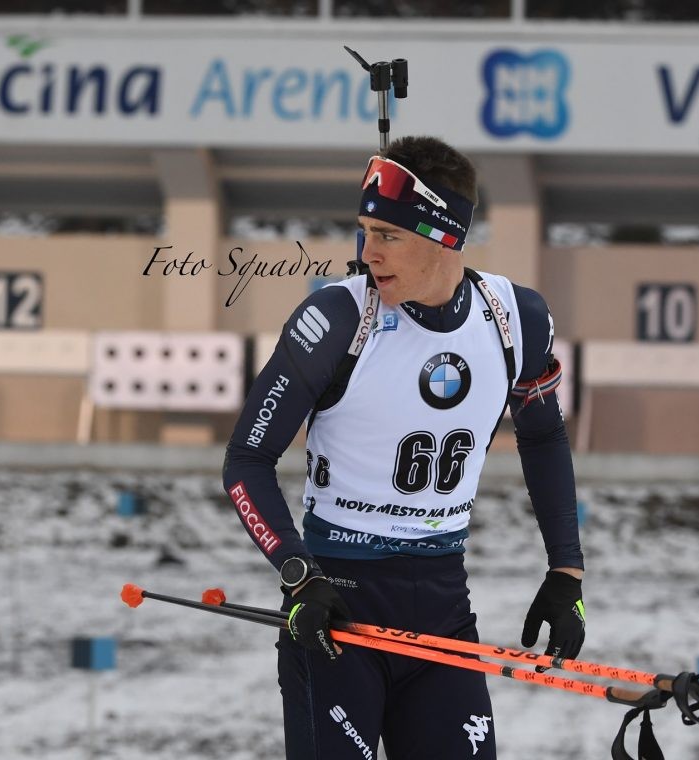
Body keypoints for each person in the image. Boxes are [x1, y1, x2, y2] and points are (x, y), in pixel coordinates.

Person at [223, 135, 585, 760]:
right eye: (364, 231)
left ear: (444, 235)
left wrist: (566, 572)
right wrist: (297, 572)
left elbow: (545, 435)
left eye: (387, 235)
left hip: (443, 607)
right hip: (336, 608)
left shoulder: (514, 319)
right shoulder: (338, 320)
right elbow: (246, 462)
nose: (367, 254)